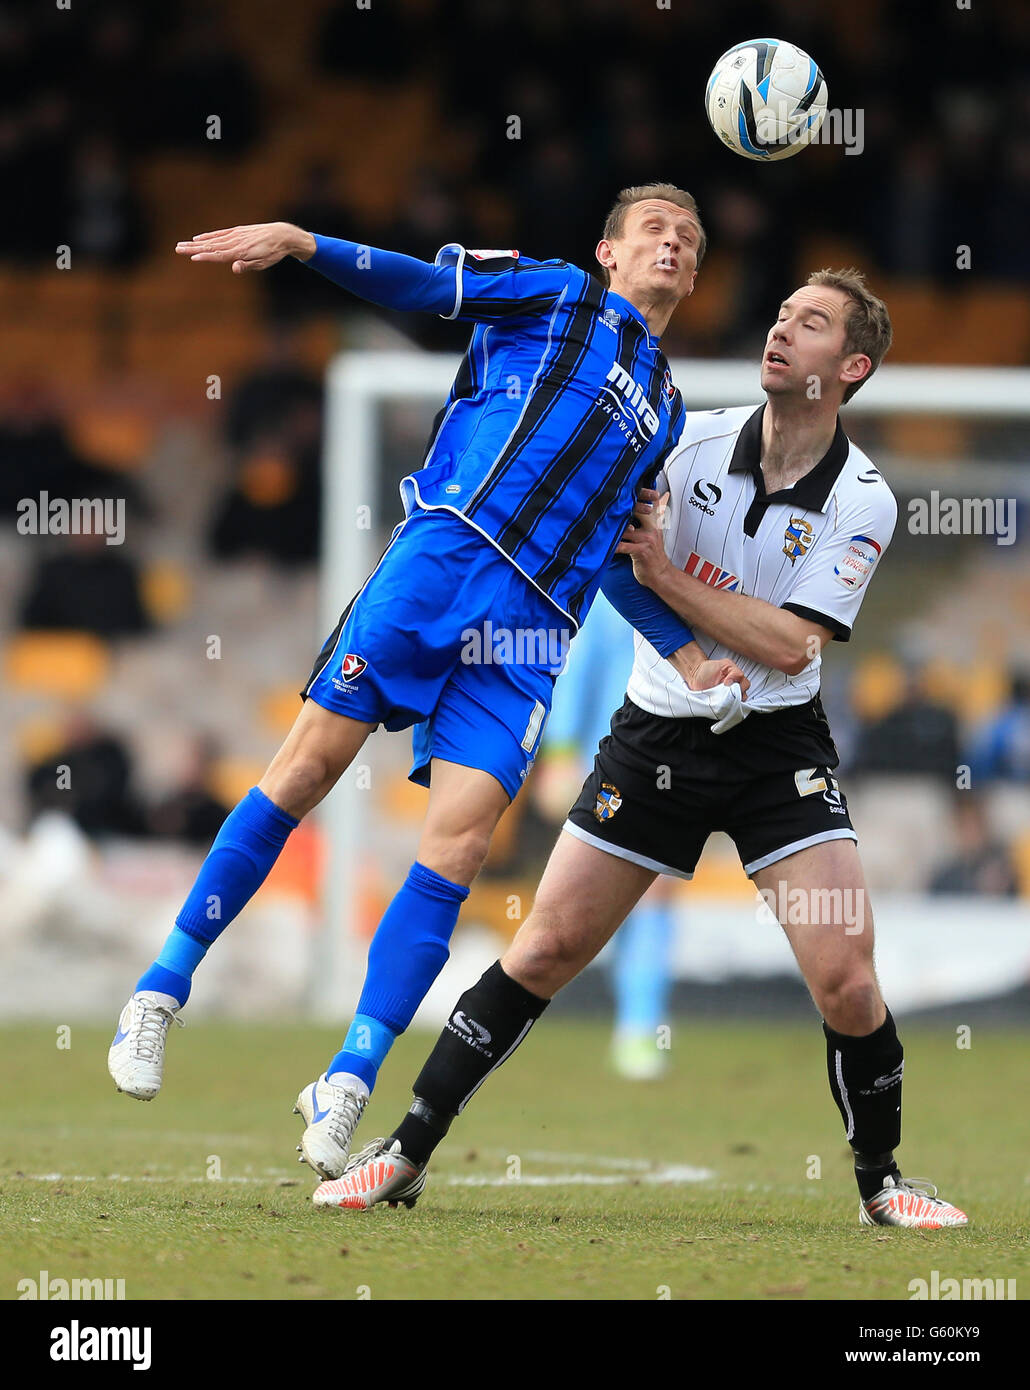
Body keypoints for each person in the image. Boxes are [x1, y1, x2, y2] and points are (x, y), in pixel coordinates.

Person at [108, 184, 750, 1181]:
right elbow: (422, 284)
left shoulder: (665, 411)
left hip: (536, 629)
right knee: (307, 769)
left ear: (696, 274)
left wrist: (688, 651)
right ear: (609, 252)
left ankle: (349, 1078)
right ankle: (159, 989)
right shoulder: (553, 293)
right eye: (653, 230)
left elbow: (617, 557)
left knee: (456, 844)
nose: (672, 243)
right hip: (448, 555)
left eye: (688, 238)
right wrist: (305, 242)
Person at [315, 269, 969, 1230]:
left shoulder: (864, 500)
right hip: (655, 735)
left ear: (853, 367)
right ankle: (404, 1151)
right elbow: (613, 566)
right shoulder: (687, 441)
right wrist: (689, 645)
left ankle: (883, 1183)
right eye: (783, 310)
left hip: (778, 749)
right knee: (544, 947)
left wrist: (671, 576)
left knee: (848, 977)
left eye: (813, 322)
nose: (782, 327)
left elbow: (791, 644)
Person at [531, 591, 677, 1081]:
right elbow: (579, 665)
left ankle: (638, 1027)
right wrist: (561, 750)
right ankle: (526, 1007)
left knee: (654, 891)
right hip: (606, 758)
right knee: (592, 897)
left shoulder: (694, 578)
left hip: (669, 759)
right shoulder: (619, 587)